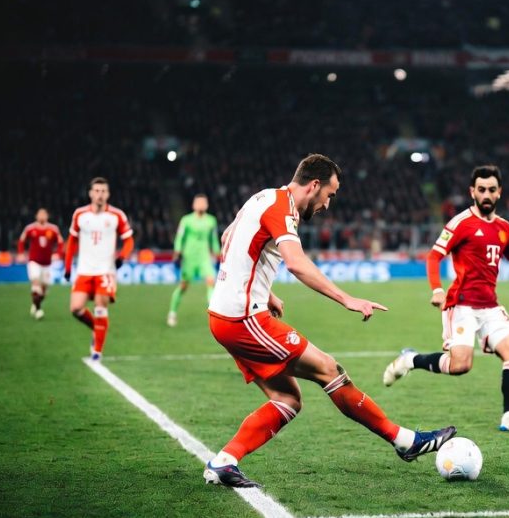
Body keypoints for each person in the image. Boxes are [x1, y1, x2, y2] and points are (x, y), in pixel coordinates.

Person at [204, 153, 456, 488]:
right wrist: (346, 298)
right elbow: (296, 263)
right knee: (329, 370)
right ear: (313, 185)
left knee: (287, 400)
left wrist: (264, 291)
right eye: (329, 195)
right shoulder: (282, 208)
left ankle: (225, 461)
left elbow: (228, 239)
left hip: (224, 315)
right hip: (244, 319)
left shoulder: (263, 196)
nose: (327, 204)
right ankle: (405, 441)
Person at [382, 165, 509, 433]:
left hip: (490, 306)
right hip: (461, 305)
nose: (486, 194)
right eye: (481, 189)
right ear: (472, 191)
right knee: (460, 365)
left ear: (499, 192)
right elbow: (434, 256)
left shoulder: (504, 228)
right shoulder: (461, 223)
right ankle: (410, 360)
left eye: (491, 190)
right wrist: (437, 289)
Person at [64, 177, 134, 361]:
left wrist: (122, 256)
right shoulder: (80, 214)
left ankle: (97, 351)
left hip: (105, 271)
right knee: (76, 308)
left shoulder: (117, 215)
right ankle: (97, 329)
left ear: (108, 194)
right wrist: (67, 266)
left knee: (100, 307)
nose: (100, 194)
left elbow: (129, 240)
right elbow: (71, 241)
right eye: (96, 191)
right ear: (90, 193)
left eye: (103, 191)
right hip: (84, 270)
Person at [167, 194, 220, 327]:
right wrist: (177, 252)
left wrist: (218, 253)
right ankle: (172, 313)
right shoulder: (186, 220)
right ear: (194, 205)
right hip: (189, 257)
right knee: (183, 286)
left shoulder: (211, 221)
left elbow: (213, 239)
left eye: (203, 202)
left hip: (204, 257)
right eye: (199, 202)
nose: (201, 205)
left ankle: (213, 315)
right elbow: (180, 237)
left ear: (207, 205)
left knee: (211, 282)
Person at [17, 208, 64, 320]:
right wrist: (21, 253)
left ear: (47, 216)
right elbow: (21, 241)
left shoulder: (53, 229)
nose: (42, 216)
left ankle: (35, 304)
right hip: (34, 262)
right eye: (40, 214)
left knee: (44, 290)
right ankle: (38, 310)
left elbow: (61, 242)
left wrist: (58, 254)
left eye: (44, 214)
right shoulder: (30, 228)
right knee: (36, 283)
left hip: (47, 263)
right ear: (36, 216)